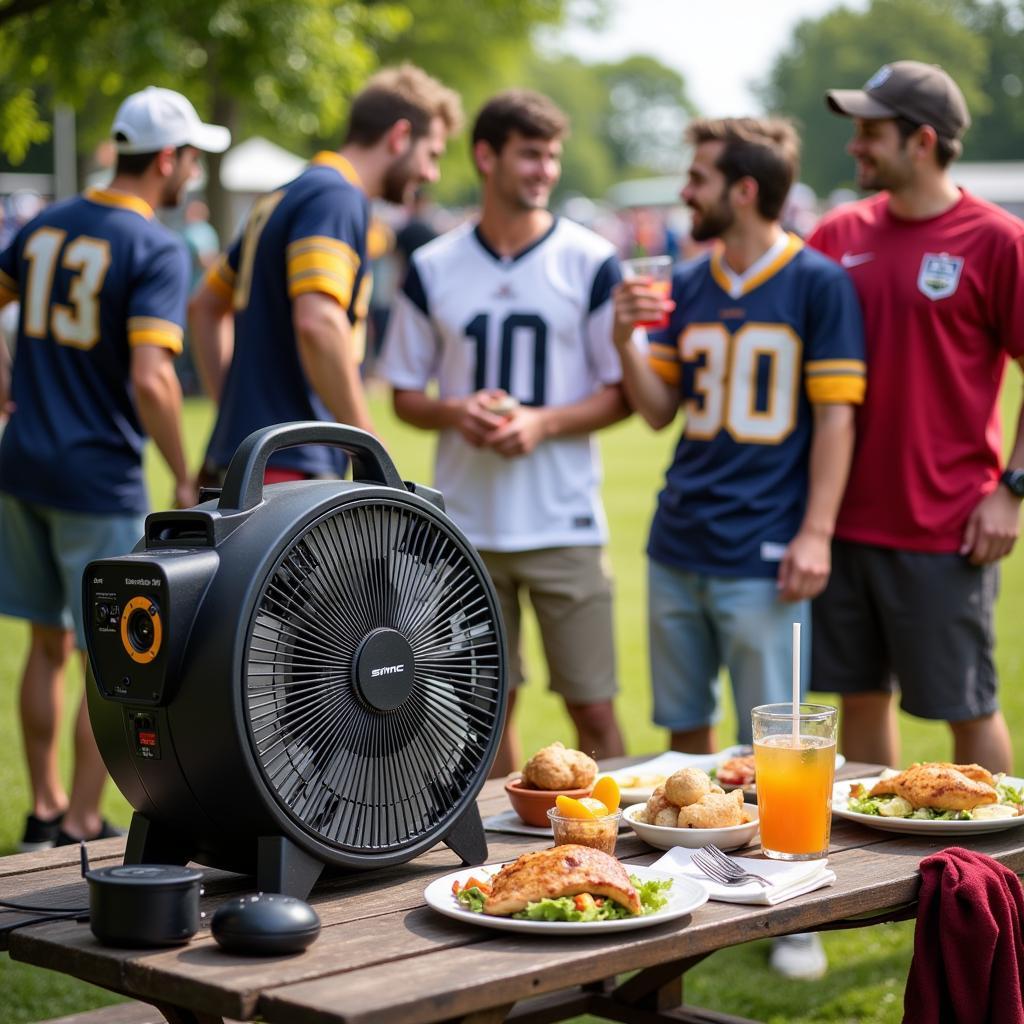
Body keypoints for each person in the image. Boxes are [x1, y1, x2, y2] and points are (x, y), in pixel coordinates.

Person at [612, 118, 866, 980]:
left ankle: (789, 904)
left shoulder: (818, 283)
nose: (685, 192)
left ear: (744, 189)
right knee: (686, 745)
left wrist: (817, 530)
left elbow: (837, 417)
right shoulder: (686, 278)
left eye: (699, 177)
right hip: (678, 536)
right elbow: (655, 411)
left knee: (776, 754)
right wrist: (624, 341)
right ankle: (691, 893)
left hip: (765, 548)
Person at [0, 86, 230, 849]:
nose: (191, 172)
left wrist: (9, 389)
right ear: (167, 160)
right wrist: (185, 470)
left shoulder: (44, 224)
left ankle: (45, 808)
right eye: (191, 158)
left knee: (45, 645)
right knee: (116, 664)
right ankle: (78, 822)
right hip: (98, 474)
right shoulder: (155, 245)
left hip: (22, 462)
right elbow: (152, 377)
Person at [378, 89, 630, 776]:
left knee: (595, 709)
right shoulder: (433, 265)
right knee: (481, 714)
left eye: (551, 156)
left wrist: (542, 422)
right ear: (485, 156)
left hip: (564, 520)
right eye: (529, 154)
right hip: (467, 522)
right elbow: (404, 392)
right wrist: (456, 411)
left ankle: (615, 852)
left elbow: (623, 394)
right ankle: (495, 857)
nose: (545, 170)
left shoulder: (591, 259)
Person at [809, 61, 1024, 771]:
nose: (855, 146)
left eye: (870, 132)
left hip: (944, 529)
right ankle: (880, 868)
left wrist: (1012, 491)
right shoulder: (837, 235)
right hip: (839, 525)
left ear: (922, 140)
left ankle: (998, 876)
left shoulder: (996, 240)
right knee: (859, 700)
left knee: (966, 705)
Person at [190, 64, 462, 485]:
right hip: (292, 463)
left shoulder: (286, 193)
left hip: (250, 460)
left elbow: (206, 306)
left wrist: (232, 411)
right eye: (432, 154)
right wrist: (366, 439)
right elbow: (318, 321)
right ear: (400, 136)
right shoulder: (335, 197)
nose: (431, 174)